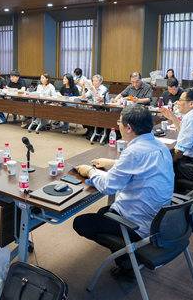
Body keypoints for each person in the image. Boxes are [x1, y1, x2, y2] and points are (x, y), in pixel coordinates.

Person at [72, 105, 174, 278]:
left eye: (119, 121)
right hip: (159, 220)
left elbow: (108, 186)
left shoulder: (133, 152)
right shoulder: (159, 146)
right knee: (103, 212)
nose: (118, 124)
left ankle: (128, 261)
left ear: (128, 128)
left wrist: (89, 171)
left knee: (81, 222)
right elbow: (142, 167)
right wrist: (113, 163)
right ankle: (126, 256)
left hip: (138, 225)